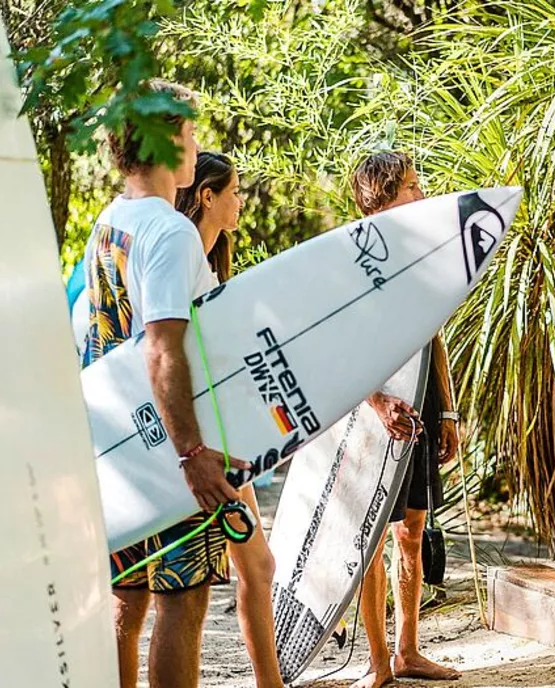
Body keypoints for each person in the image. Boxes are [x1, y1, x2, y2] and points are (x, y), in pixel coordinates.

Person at [81, 80, 250, 688]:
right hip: (169, 452)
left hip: (119, 449)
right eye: (189, 132)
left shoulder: (110, 221)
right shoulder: (171, 231)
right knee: (183, 604)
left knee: (127, 605)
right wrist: (193, 454)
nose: (195, 145)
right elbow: (164, 347)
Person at [349, 151, 462, 688]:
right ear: (382, 196)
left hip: (421, 408)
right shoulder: (354, 260)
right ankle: (376, 662)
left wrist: (449, 412)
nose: (422, 195)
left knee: (412, 531)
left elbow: (434, 336)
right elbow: (337, 349)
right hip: (373, 418)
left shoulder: (420, 258)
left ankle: (407, 651)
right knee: (371, 539)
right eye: (412, 187)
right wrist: (375, 402)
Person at [174, 151, 283, 688]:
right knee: (247, 570)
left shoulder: (208, 261)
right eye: (234, 191)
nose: (241, 200)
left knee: (256, 567)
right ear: (207, 196)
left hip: (222, 439)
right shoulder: (183, 256)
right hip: (202, 446)